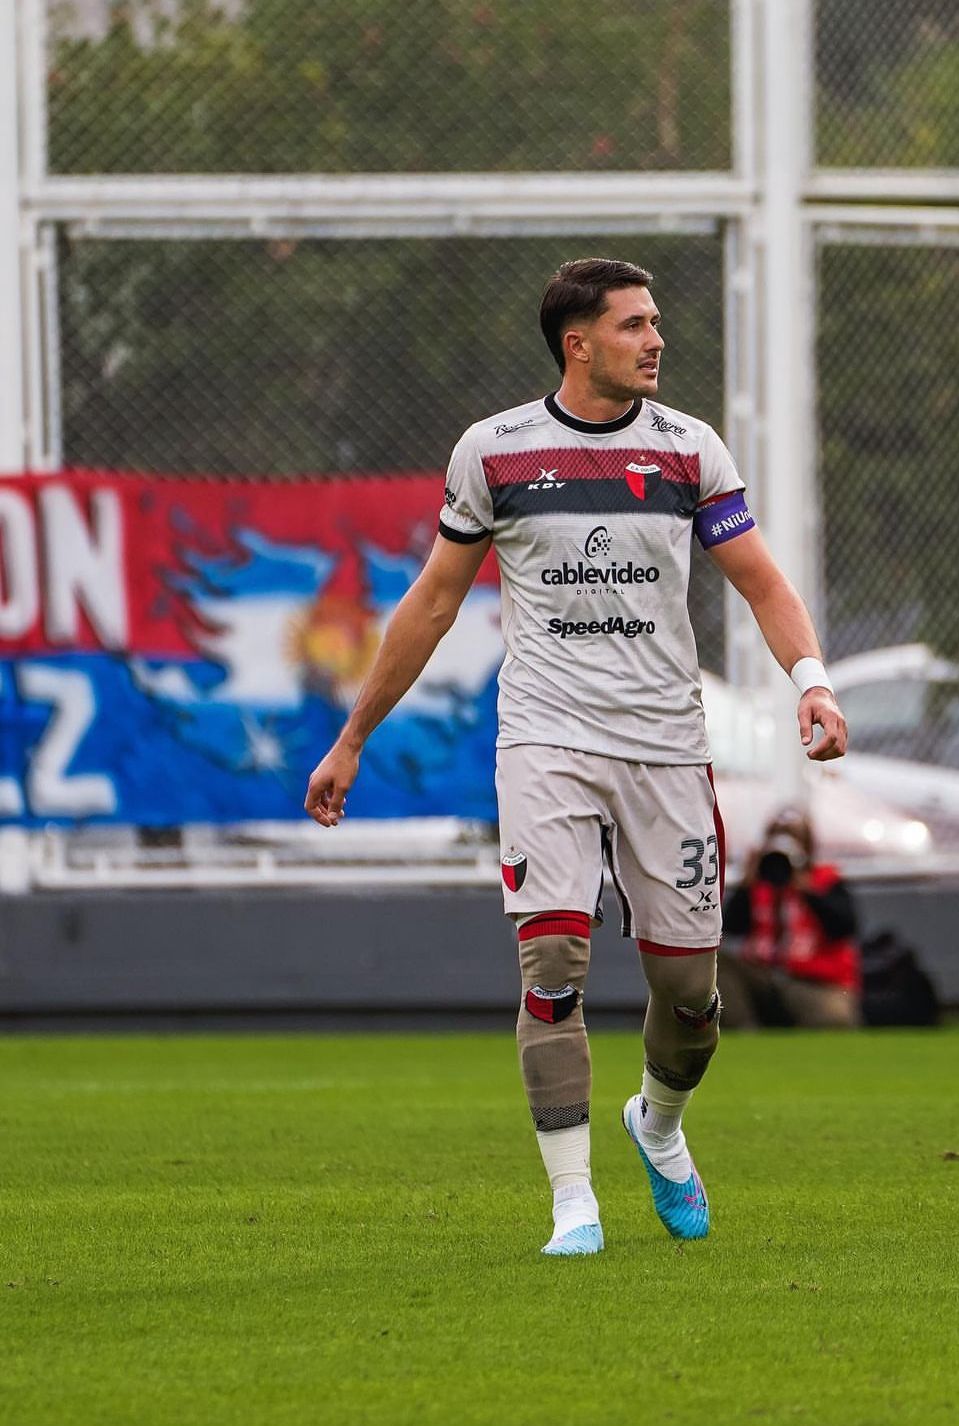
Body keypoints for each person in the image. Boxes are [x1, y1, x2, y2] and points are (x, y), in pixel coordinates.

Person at [304, 257, 847, 1256]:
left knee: (691, 998)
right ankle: (573, 1203)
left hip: (666, 750)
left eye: (656, 322)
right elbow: (431, 603)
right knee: (552, 963)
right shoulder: (495, 452)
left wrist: (811, 678)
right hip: (545, 741)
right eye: (635, 324)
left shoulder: (689, 449)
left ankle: (658, 1125)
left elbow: (762, 583)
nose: (657, 340)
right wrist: (352, 739)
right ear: (579, 343)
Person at [719, 810, 861, 1029]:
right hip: (764, 976)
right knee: (718, 962)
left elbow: (845, 927)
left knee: (835, 1020)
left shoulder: (826, 881)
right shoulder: (758, 883)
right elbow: (730, 927)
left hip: (813, 982)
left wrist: (807, 890)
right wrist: (747, 883)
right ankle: (744, 1031)